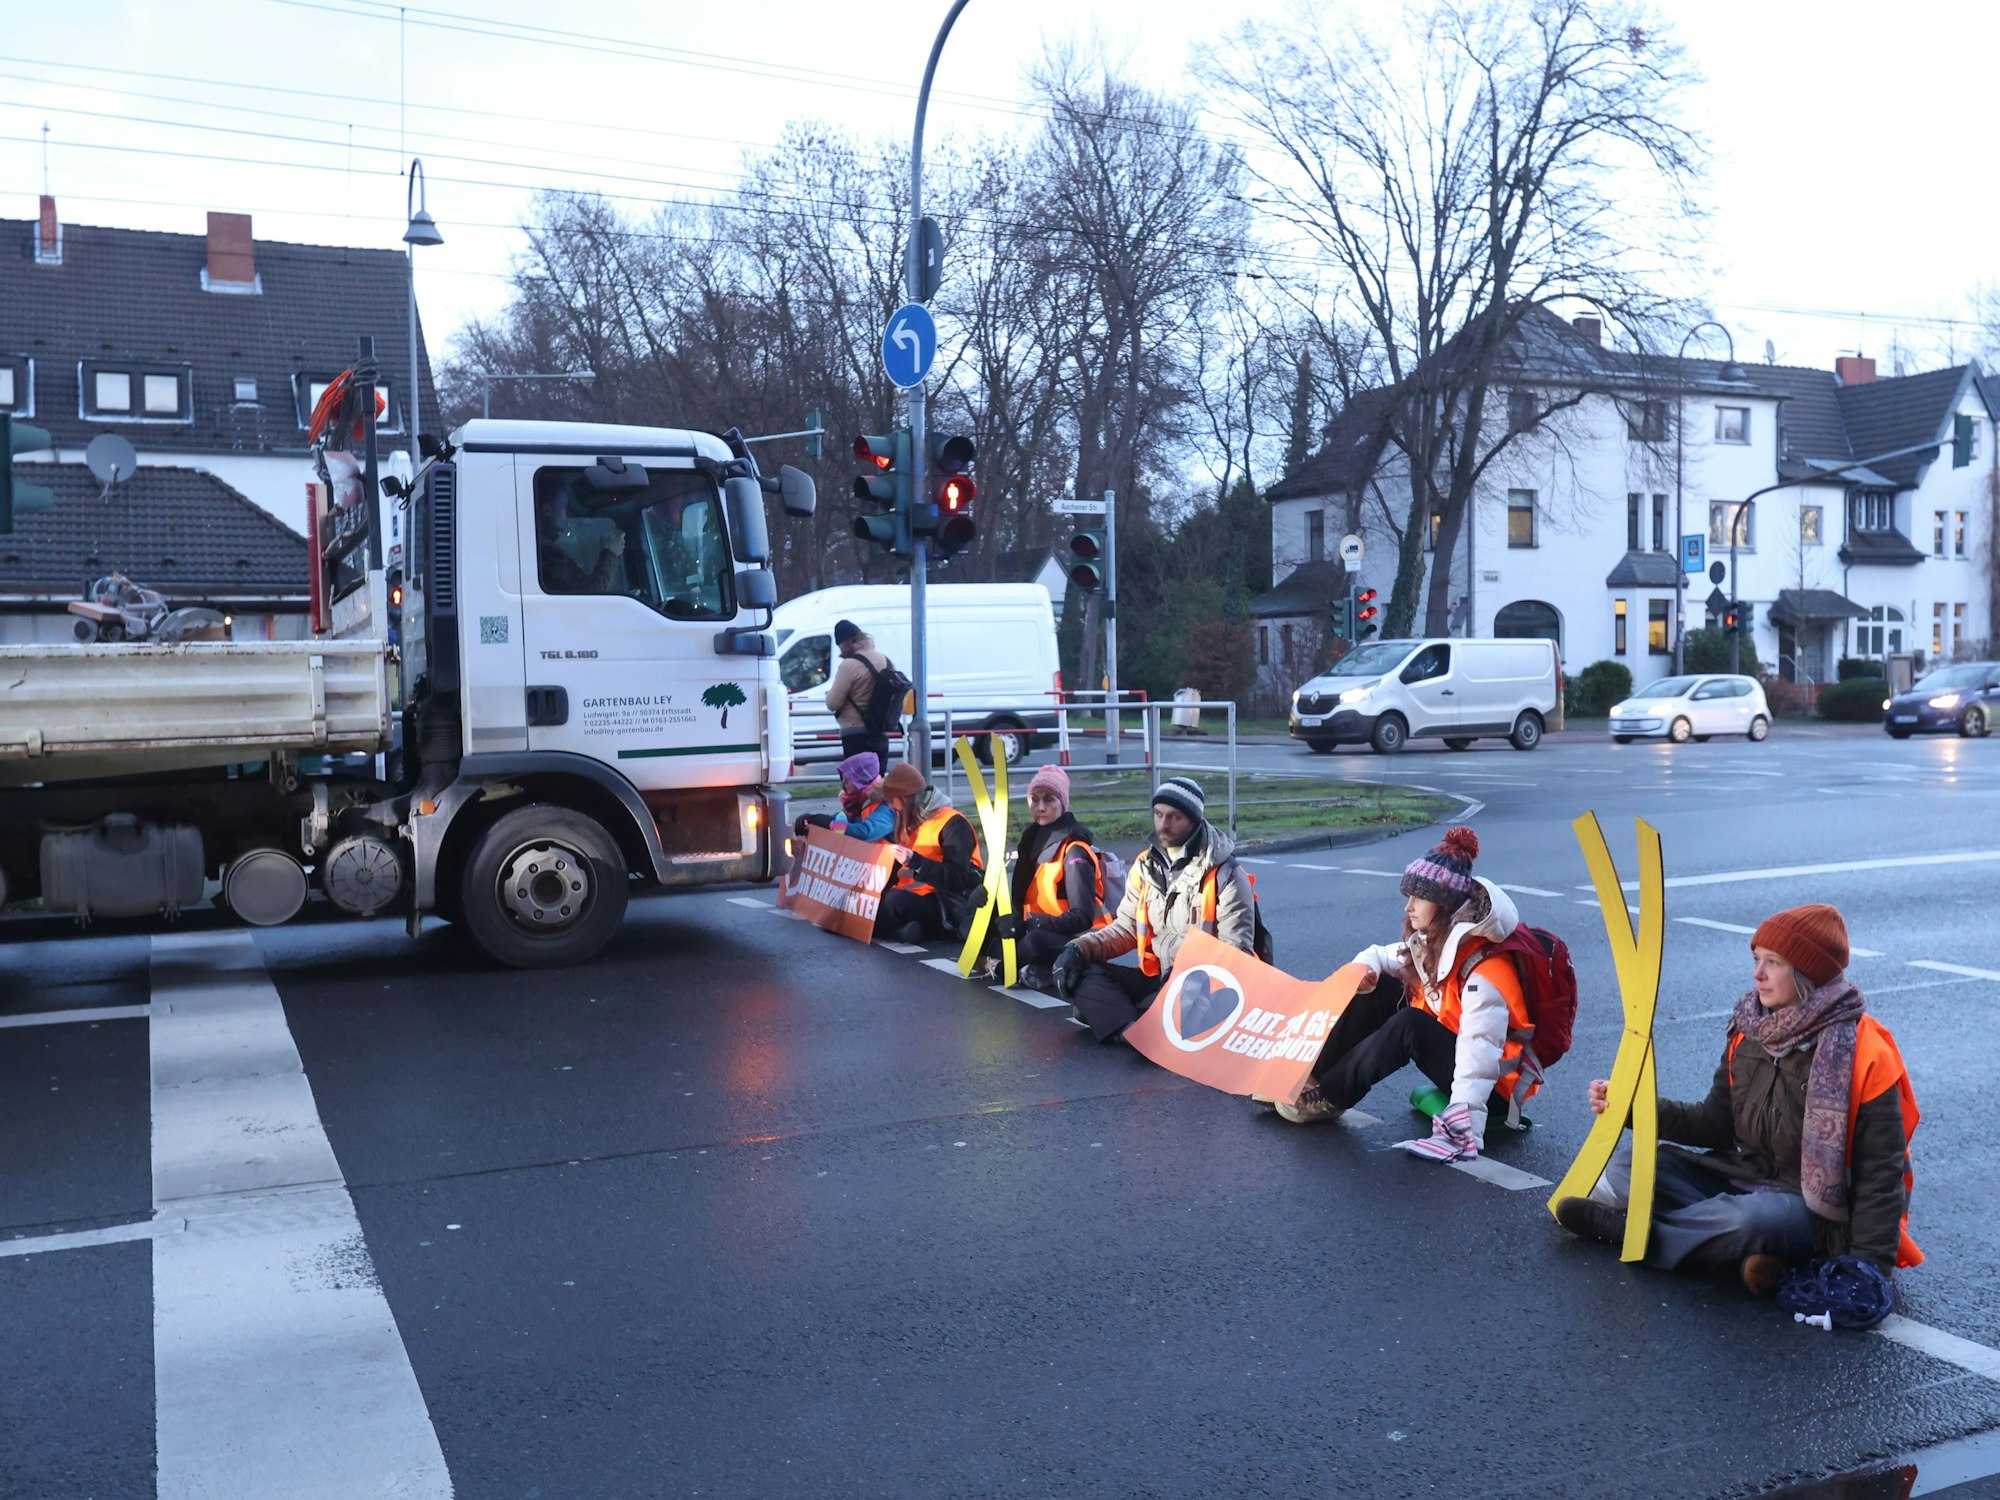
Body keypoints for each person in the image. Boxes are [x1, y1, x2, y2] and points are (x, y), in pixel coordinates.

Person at [1554, 904, 1920, 1297]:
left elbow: (1881, 1175)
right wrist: (1634, 1108)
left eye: (1773, 962)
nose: (1756, 974)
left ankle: (1644, 1237)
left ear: (1806, 972)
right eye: (1757, 959)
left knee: (1749, 1220)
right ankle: (1745, 1257)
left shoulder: (1865, 1051)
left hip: (1816, 1211)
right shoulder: (1751, 1031)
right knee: (1633, 1165)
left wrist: (1867, 1270)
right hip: (1746, 1177)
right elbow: (1715, 1122)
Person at [1270, 827, 1536, 1153]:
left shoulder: (1486, 970)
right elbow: (1381, 954)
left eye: (1419, 898)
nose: (1408, 907)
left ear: (1445, 905)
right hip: (1460, 1060)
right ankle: (1310, 1076)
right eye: (1408, 897)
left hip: (1491, 1092)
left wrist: (1462, 1128)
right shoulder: (1439, 942)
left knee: (1410, 1024)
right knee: (1382, 985)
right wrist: (1363, 971)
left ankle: (1329, 1097)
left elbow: (1479, 1056)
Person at [1052, 777, 1253, 1043]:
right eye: (1158, 815)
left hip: (1198, 985)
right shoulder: (1145, 866)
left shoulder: (1226, 874)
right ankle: (1132, 1030)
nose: (1163, 825)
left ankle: (1120, 1018)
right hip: (1157, 978)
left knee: (1169, 1001)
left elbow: (1236, 952)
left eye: (1174, 817)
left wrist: (1186, 974)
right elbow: (1125, 928)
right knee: (1084, 972)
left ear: (1194, 820)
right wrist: (1078, 949)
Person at [987, 765, 1107, 990]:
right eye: (1034, 799)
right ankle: (1035, 970)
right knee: (995, 936)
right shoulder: (1032, 839)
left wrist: (1029, 925)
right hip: (1044, 929)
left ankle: (1053, 969)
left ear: (1063, 802)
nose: (1040, 807)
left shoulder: (1074, 850)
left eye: (1049, 799)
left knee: (1032, 944)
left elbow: (1082, 917)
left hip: (1080, 939)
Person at [874, 763, 985, 944]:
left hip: (945, 903)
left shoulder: (952, 823)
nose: (892, 807)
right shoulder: (909, 820)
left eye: (892, 801)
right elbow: (898, 873)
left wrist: (916, 862)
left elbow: (958, 879)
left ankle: (905, 929)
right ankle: (908, 929)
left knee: (894, 903)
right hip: (915, 896)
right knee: (871, 902)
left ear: (905, 799)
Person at [825, 619, 894, 763]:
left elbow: (832, 703)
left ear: (845, 644)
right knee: (876, 782)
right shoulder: (886, 661)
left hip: (855, 734)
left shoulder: (849, 665)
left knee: (856, 783)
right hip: (881, 732)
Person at [793, 751, 893, 843]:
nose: (844, 783)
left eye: (849, 778)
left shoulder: (886, 806)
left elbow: (865, 832)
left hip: (891, 861)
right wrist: (811, 820)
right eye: (843, 778)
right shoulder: (858, 802)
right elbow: (842, 818)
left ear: (861, 780)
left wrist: (829, 824)